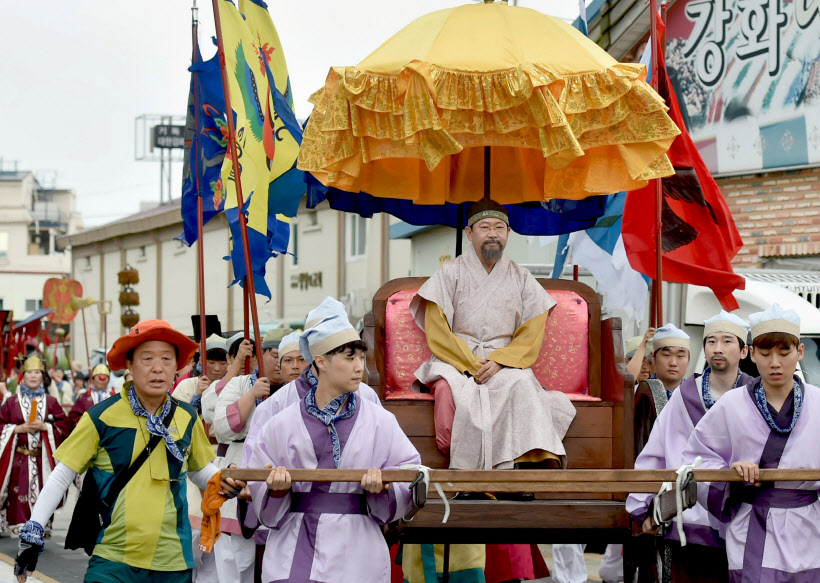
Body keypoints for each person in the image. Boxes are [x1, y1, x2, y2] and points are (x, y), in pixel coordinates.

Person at [406, 199, 573, 583]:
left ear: (508, 233)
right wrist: (468, 361)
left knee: (521, 384)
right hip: (455, 355)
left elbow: (532, 330)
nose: (493, 234)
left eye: (499, 227)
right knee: (458, 391)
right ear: (469, 233)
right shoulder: (449, 273)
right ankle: (466, 480)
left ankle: (517, 478)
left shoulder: (520, 276)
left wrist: (501, 360)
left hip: (503, 359)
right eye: (485, 228)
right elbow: (437, 327)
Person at [14, 319, 243, 583]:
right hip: (113, 559)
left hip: (173, 560)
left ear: (177, 367)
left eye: (167, 359)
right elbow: (62, 475)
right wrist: (34, 530)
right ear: (130, 366)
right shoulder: (101, 416)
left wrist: (222, 479)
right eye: (147, 359)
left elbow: (200, 469)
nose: (158, 368)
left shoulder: (187, 416)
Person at [247, 314, 421, 583]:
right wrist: (277, 490)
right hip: (294, 540)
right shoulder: (281, 423)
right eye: (349, 358)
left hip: (358, 543)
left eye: (361, 358)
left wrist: (384, 489)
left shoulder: (380, 421)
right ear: (321, 361)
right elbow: (258, 476)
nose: (359, 367)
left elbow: (409, 469)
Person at [683, 304, 820, 582]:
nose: (775, 363)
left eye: (784, 353)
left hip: (810, 526)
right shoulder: (731, 404)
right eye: (766, 353)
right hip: (751, 524)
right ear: (753, 354)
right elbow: (694, 460)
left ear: (800, 352)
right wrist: (730, 473)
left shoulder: (818, 402)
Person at [627, 311, 753, 581]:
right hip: (687, 509)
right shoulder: (685, 396)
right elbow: (655, 453)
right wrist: (646, 505)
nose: (717, 349)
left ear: (744, 351)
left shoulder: (755, 395)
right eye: (711, 341)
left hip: (743, 509)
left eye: (727, 341)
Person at [210, 327, 291, 583]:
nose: (281, 363)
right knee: (234, 559)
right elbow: (221, 426)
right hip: (239, 470)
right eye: (277, 355)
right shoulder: (240, 383)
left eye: (290, 358)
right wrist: (253, 394)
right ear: (262, 355)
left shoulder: (302, 392)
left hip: (283, 480)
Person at [0, 356, 68, 537]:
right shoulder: (11, 401)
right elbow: (0, 424)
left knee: (44, 492)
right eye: (29, 372)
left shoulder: (51, 401)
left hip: (42, 459)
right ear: (23, 376)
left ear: (42, 376)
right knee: (18, 494)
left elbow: (64, 426)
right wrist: (17, 429)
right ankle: (21, 529)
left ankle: (40, 527)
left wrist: (45, 426)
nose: (33, 376)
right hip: (19, 460)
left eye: (37, 372)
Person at [174, 334, 229, 416]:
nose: (217, 368)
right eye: (212, 363)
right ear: (201, 361)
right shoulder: (186, 385)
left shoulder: (232, 386)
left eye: (222, 363)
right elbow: (178, 417)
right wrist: (197, 394)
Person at [64, 364, 117, 432]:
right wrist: (87, 422)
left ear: (109, 380)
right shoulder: (83, 397)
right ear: (93, 379)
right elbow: (73, 417)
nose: (102, 380)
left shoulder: (114, 397)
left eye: (105, 377)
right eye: (99, 377)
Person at [651, 324, 691, 396]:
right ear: (653, 357)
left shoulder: (697, 398)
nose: (673, 363)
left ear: (688, 359)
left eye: (680, 356)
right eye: (667, 355)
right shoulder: (636, 394)